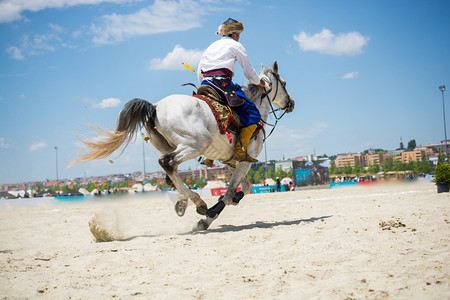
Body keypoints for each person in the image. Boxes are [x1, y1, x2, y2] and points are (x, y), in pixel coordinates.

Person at [197, 18, 267, 163]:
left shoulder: (211, 47)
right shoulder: (237, 46)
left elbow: (199, 71)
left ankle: (209, 155)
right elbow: (248, 72)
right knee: (253, 114)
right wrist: (260, 83)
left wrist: (204, 85)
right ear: (234, 34)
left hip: (205, 83)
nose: (239, 37)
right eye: (238, 34)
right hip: (222, 84)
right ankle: (239, 151)